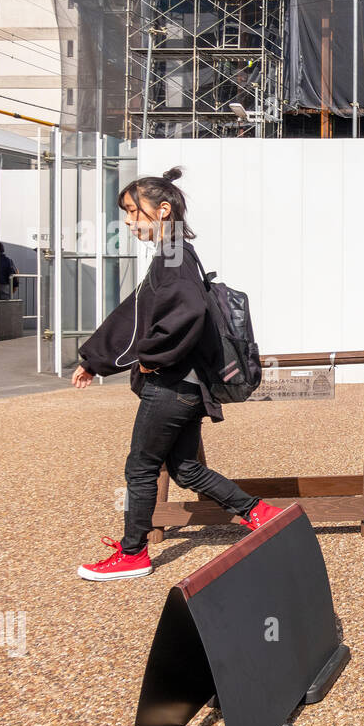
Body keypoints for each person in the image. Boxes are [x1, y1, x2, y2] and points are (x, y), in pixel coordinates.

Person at [72, 166, 282, 581]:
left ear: (162, 210)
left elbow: (187, 312)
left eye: (134, 212)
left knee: (140, 467)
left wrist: (152, 356)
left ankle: (133, 555)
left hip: (171, 386)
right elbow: (135, 310)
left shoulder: (174, 255)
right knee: (185, 469)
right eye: (127, 213)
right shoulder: (174, 253)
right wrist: (95, 359)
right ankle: (262, 513)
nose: (129, 222)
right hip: (186, 386)